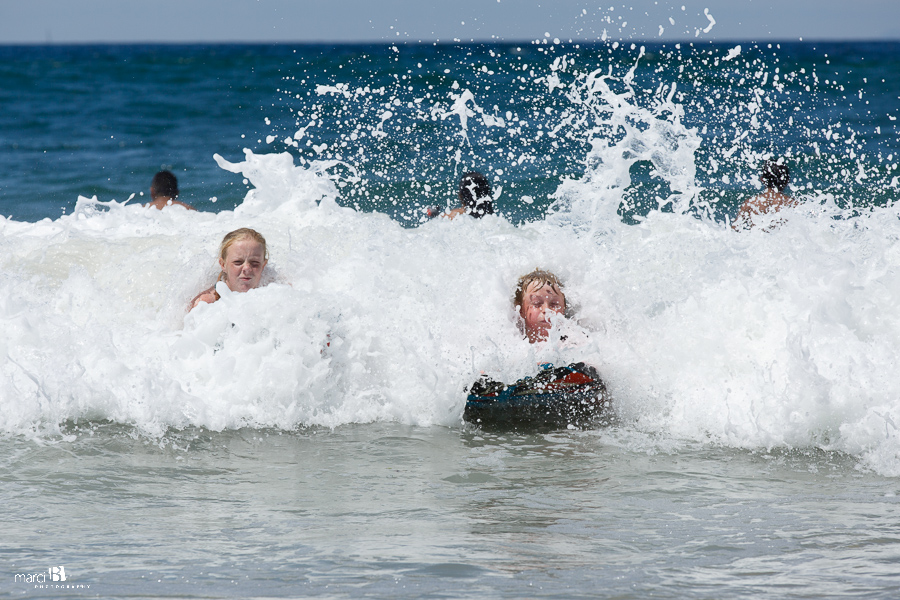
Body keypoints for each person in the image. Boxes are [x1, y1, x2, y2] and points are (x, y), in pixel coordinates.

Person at [190, 228, 268, 309]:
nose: (247, 268)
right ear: (223, 265)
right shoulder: (206, 304)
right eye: (238, 262)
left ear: (263, 265)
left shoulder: (274, 293)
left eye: (255, 263)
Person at [732, 159, 796, 230]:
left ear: (762, 179)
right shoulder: (792, 204)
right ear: (787, 180)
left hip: (757, 240)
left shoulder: (750, 203)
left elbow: (734, 229)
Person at [513, 269, 567, 343]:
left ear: (564, 308)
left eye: (554, 304)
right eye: (536, 303)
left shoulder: (574, 342)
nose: (546, 309)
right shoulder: (512, 343)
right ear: (520, 310)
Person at [428, 171, 495, 219]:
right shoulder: (495, 220)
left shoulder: (456, 217)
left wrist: (436, 214)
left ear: (460, 196)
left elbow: (446, 216)